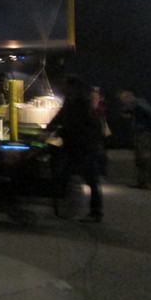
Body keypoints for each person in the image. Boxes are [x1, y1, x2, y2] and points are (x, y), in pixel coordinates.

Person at [47, 77, 104, 222]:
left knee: (91, 180)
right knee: (68, 175)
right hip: (74, 146)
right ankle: (68, 207)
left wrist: (56, 132)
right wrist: (48, 129)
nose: (62, 88)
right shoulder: (71, 101)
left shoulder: (81, 104)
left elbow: (75, 125)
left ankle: (95, 213)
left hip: (85, 147)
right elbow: (60, 118)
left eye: (64, 85)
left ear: (72, 87)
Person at [118, 89, 151, 189]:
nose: (123, 103)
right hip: (139, 133)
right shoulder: (137, 105)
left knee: (144, 157)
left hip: (144, 134)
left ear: (128, 98)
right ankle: (141, 181)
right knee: (139, 158)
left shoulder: (137, 102)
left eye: (123, 100)